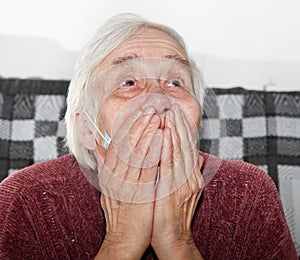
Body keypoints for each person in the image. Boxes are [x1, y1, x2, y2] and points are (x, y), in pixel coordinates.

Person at [0, 13, 297, 259]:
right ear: (88, 127)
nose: (157, 98)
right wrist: (121, 242)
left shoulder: (249, 192)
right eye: (128, 82)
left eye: (175, 82)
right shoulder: (24, 200)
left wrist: (178, 243)